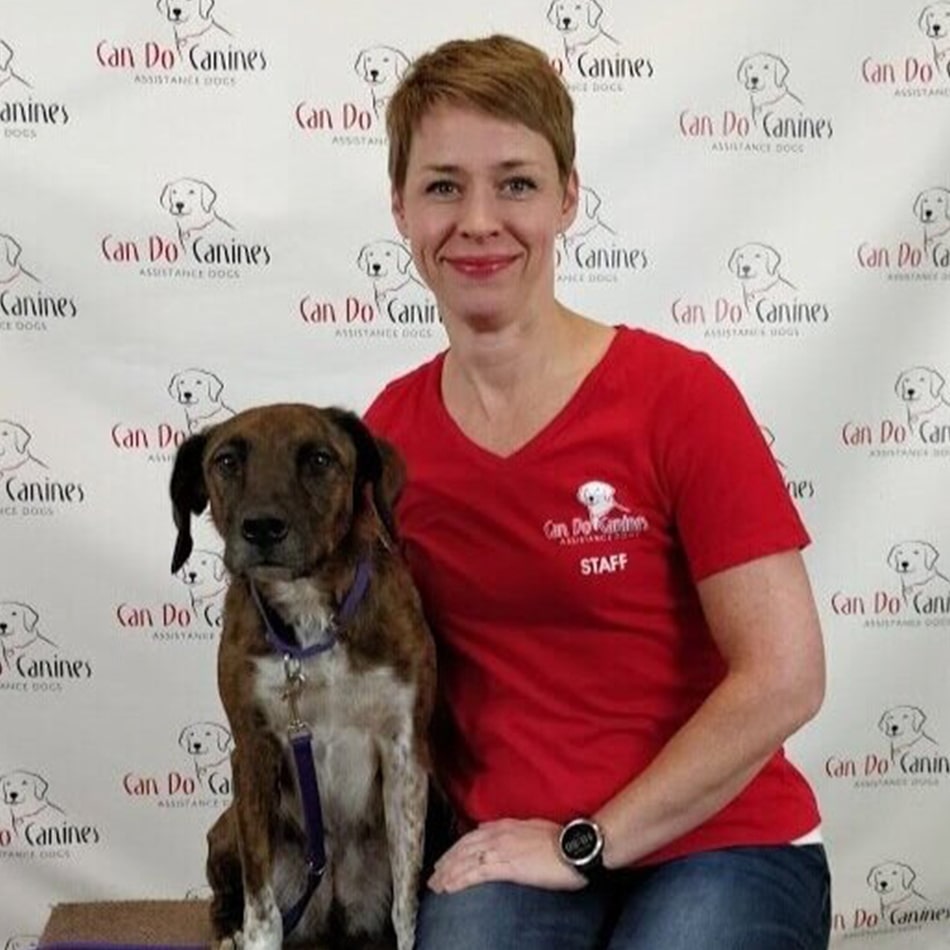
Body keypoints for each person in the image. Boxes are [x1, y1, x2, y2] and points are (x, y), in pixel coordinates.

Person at [364, 34, 830, 950]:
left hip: (721, 841)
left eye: (518, 183)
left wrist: (588, 841)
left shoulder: (677, 396)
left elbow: (785, 676)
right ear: (401, 208)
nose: (480, 220)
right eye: (444, 185)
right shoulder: (388, 439)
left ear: (571, 198)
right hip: (506, 852)